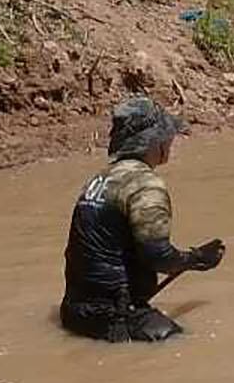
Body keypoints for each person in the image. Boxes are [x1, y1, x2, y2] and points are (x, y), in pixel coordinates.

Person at [60, 95, 225, 342]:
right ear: (155, 143)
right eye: (168, 136)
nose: (171, 141)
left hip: (73, 313)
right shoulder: (145, 185)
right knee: (190, 344)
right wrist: (196, 259)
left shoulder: (100, 179)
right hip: (115, 319)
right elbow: (159, 257)